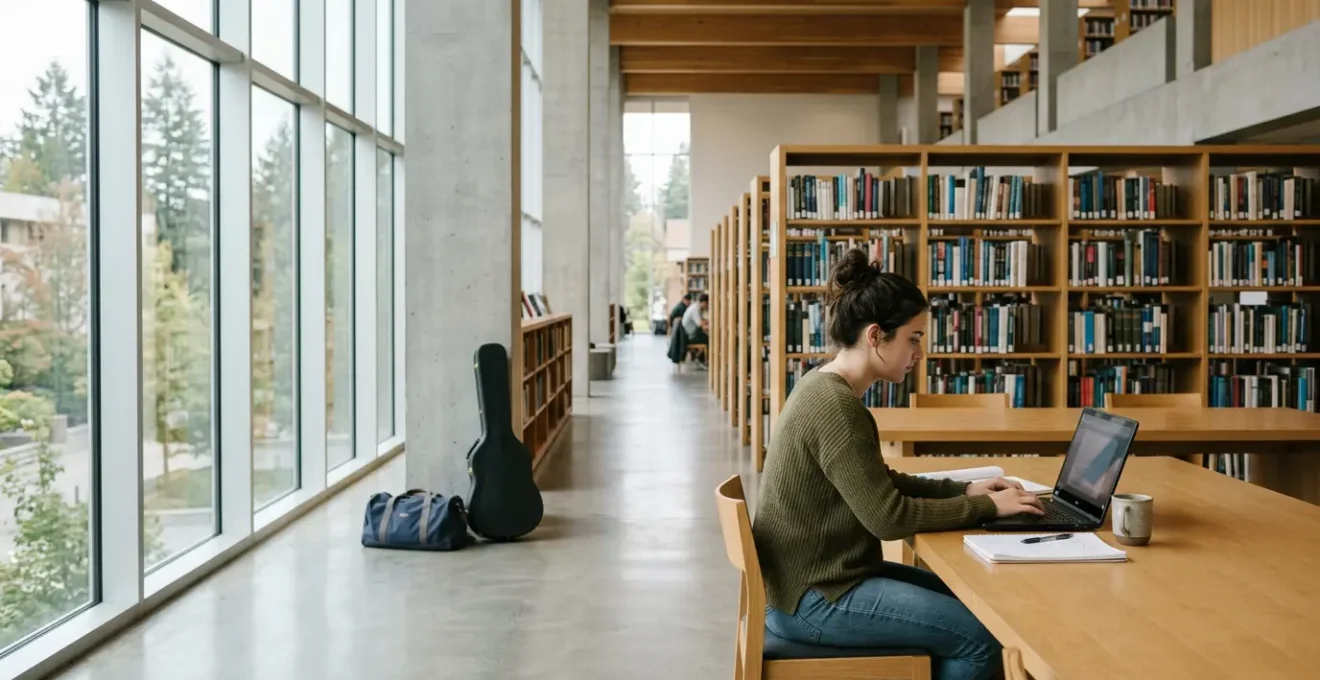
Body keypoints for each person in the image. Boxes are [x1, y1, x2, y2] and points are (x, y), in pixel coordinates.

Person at [752, 249, 1044, 680]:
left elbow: (880, 483)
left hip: (813, 584)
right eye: (913, 338)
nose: (919, 353)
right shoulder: (836, 407)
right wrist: (987, 508)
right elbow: (887, 519)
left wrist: (964, 490)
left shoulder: (821, 385)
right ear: (875, 336)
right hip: (816, 598)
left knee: (976, 600)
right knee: (981, 637)